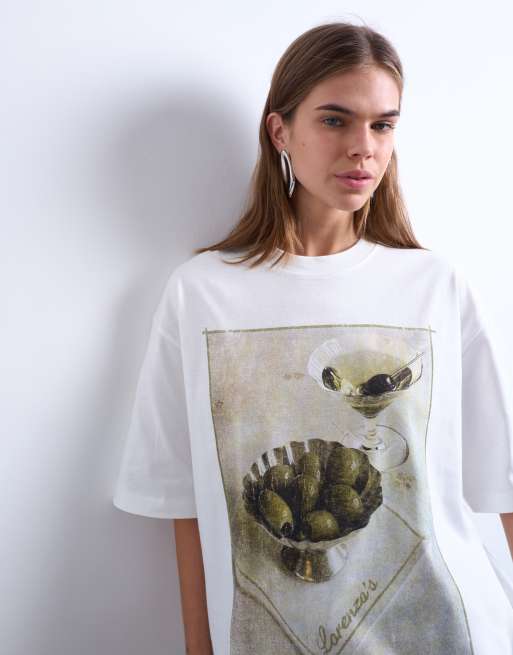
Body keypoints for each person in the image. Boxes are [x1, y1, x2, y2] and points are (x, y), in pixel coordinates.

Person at [112, 20, 513, 655]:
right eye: (334, 120)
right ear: (280, 131)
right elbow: (180, 498)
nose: (363, 148)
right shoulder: (202, 292)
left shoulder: (435, 284)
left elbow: (501, 477)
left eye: (382, 125)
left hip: (452, 631)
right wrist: (199, 645)